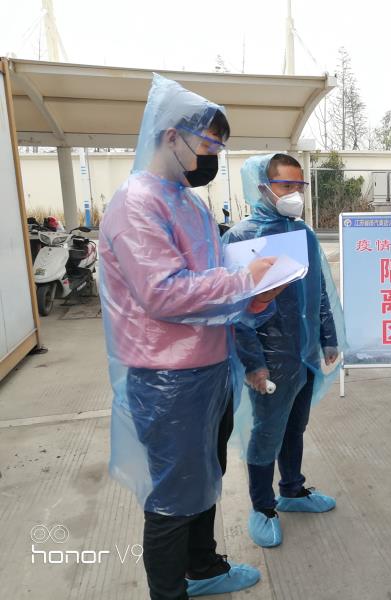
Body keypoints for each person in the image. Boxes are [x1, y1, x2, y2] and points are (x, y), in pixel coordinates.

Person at [99, 74, 281, 600]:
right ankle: (169, 591)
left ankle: (203, 568)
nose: (213, 159)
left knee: (205, 479)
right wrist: (243, 282)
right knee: (173, 500)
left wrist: (251, 297)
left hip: (208, 368)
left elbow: (210, 279)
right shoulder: (137, 204)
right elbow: (163, 292)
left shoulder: (188, 202)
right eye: (208, 146)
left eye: (219, 149)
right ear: (171, 136)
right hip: (167, 378)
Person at [223, 153, 343, 548]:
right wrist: (253, 365)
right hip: (270, 361)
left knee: (295, 426)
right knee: (267, 432)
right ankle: (262, 507)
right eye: (285, 185)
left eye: (299, 186)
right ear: (263, 187)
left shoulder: (304, 234)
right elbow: (236, 312)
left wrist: (327, 337)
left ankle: (292, 489)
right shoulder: (243, 238)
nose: (295, 194)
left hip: (304, 355)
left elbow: (319, 290)